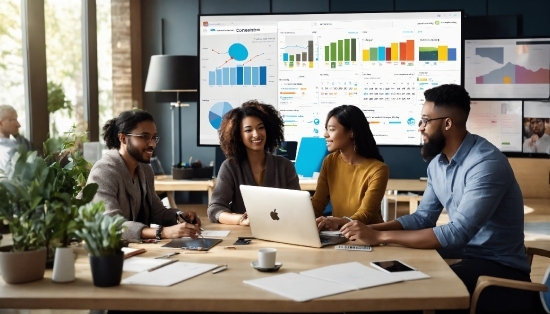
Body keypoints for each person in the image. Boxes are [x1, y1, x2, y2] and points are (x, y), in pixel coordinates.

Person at [340, 84, 543, 313]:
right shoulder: (438, 164)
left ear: (447, 123)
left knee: (413, 287)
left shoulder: (486, 164)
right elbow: (423, 218)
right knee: (391, 271)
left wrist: (380, 235)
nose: (420, 128)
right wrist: (365, 229)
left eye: (426, 121)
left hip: (500, 270)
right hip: (467, 255)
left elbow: (457, 233)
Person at [86, 109, 201, 242]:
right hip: (109, 253)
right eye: (144, 137)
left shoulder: (145, 169)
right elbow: (111, 224)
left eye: (154, 137)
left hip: (139, 250)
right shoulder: (103, 172)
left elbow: (157, 211)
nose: (152, 144)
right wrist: (162, 232)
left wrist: (179, 216)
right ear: (123, 138)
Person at [207, 100, 300, 225]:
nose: (256, 134)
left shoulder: (285, 166)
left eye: (261, 128)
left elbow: (298, 207)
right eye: (248, 130)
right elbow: (215, 209)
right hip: (244, 235)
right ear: (238, 135)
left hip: (281, 231)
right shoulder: (230, 167)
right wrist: (241, 220)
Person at [313, 105, 389, 231]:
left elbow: (365, 214)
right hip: (340, 234)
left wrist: (339, 221)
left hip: (369, 235)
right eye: (326, 129)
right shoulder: (330, 161)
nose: (325, 134)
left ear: (352, 132)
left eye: (331, 129)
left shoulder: (378, 169)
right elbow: (318, 203)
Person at [0, 105, 32, 175]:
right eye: (13, 120)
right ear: (1, 123)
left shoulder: (15, 143)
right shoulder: (6, 149)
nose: (18, 125)